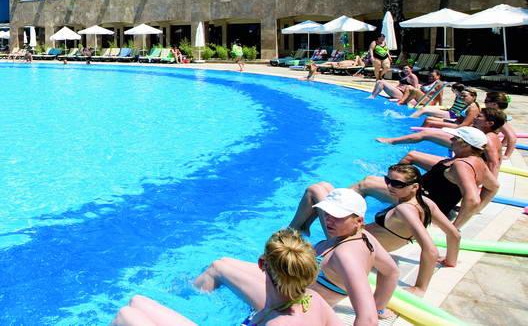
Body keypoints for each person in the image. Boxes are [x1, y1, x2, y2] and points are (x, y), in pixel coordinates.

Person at [198, 189, 397, 326]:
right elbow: (391, 271)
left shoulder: (346, 255)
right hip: (296, 292)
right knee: (223, 262)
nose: (329, 220)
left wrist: (374, 312)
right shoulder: (364, 237)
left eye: (337, 216)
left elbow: (368, 319)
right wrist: (380, 307)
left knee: (217, 268)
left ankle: (196, 303)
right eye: (327, 213)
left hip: (291, 304)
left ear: (358, 220)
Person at [288, 164, 460, 296]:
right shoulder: (426, 203)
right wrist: (450, 260)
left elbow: (430, 249)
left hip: (350, 242)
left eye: (397, 184)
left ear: (415, 187)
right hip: (358, 237)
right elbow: (454, 234)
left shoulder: (405, 210)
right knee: (324, 186)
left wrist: (420, 288)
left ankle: (292, 233)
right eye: (388, 180)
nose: (390, 186)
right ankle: (301, 228)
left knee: (314, 190)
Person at [114, 229, 341, 326]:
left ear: (261, 264)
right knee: (136, 302)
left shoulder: (278, 322)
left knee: (126, 316)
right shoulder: (312, 299)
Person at [353, 126, 499, 228]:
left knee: (365, 184)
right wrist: (476, 210)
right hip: (428, 199)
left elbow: (472, 199)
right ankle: (397, 184)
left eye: (456, 138)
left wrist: (454, 228)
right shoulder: (478, 162)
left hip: (422, 204)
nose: (451, 139)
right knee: (410, 157)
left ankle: (347, 218)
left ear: (466, 145)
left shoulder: (461, 166)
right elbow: (493, 187)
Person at [376, 108, 507, 174]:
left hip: (466, 170)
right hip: (465, 160)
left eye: (479, 116)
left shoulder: (489, 139)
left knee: (413, 153)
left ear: (489, 123)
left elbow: (494, 164)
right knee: (426, 135)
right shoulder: (483, 133)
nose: (475, 117)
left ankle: (396, 182)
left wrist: (481, 184)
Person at [484, 92, 517, 159]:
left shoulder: (497, 117)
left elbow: (512, 137)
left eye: (486, 101)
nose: (484, 103)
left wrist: (506, 155)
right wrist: (502, 145)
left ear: (495, 104)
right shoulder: (495, 115)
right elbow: (506, 134)